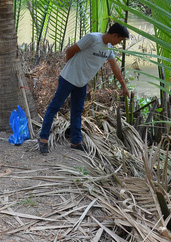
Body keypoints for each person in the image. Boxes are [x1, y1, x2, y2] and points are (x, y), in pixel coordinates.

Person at [38, 23, 130, 154]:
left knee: (77, 111)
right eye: (120, 40)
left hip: (82, 83)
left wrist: (123, 85)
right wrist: (71, 68)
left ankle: (76, 142)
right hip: (68, 79)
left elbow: (114, 66)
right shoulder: (93, 38)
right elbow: (70, 50)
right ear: (115, 35)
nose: (119, 42)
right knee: (54, 107)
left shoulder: (109, 48)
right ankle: (43, 139)